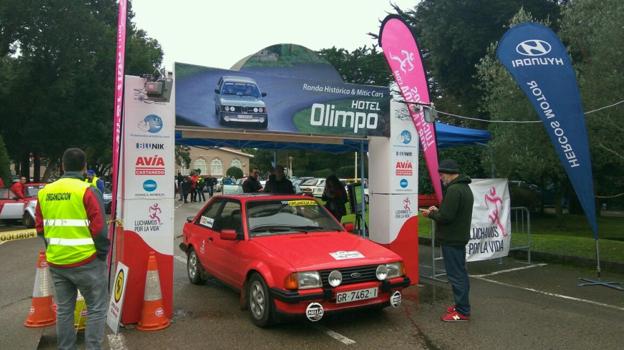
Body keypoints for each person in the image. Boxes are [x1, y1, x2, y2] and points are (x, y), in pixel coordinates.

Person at [34, 148, 109, 349]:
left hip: (58, 262)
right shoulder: (87, 190)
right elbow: (100, 229)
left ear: (63, 166)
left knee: (65, 309)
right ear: (84, 167)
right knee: (96, 308)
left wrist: (53, 249)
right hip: (87, 261)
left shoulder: (45, 192)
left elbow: (40, 228)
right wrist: (101, 253)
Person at [421, 159, 474, 322]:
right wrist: (438, 209)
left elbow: (446, 217)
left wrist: (430, 214)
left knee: (456, 275)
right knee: (461, 273)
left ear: (450, 174)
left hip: (452, 239)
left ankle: (462, 311)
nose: (441, 178)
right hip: (458, 238)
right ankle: (461, 306)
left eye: (442, 175)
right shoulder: (465, 188)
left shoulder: (454, 190)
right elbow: (451, 212)